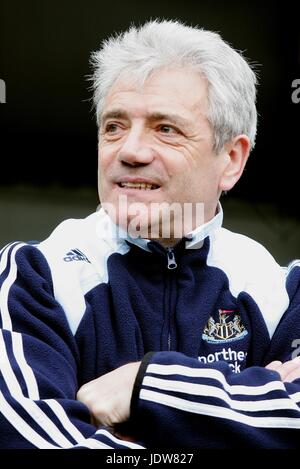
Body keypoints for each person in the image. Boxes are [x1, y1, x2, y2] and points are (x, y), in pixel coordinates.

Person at [0, 19, 300, 450]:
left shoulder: (284, 292)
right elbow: (23, 436)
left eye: (166, 129)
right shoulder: (33, 276)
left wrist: (149, 388)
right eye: (114, 126)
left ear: (231, 160)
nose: (130, 151)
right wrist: (238, 417)